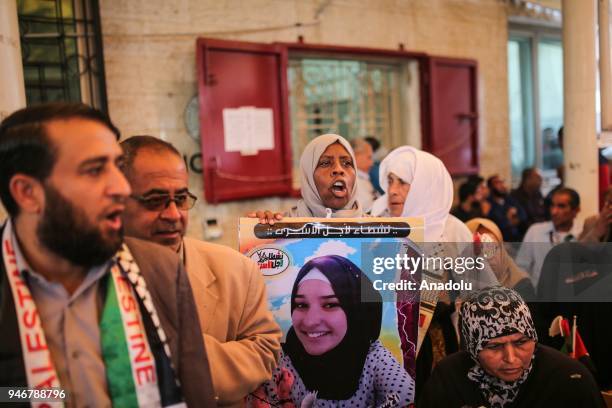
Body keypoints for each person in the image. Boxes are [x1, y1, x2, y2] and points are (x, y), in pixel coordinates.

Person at [0, 103, 215, 407]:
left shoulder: (158, 270)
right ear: (27, 192)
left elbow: (197, 394)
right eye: (94, 170)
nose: (121, 188)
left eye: (117, 165)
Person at [120, 135, 282, 407]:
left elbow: (265, 350)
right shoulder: (90, 279)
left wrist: (171, 354)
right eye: (154, 200)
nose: (173, 214)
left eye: (181, 199)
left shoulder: (235, 270)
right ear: (117, 201)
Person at [255, 255, 415, 407]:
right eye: (301, 305)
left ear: (354, 310)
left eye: (330, 305)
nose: (310, 321)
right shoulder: (279, 359)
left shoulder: (372, 357)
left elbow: (405, 396)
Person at [418, 286, 604, 408]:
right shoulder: (450, 378)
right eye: (494, 346)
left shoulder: (569, 379)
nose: (511, 358)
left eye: (521, 342)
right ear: (473, 348)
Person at [249, 133, 363, 223]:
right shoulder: (282, 225)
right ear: (308, 176)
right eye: (325, 163)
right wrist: (259, 227)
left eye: (347, 163)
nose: (339, 169)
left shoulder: (375, 231)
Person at [516, 187, 582, 287]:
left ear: (576, 210)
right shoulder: (535, 231)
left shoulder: (582, 234)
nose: (554, 212)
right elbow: (521, 267)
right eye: (552, 205)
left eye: (561, 206)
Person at [465, 218, 535, 301]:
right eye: (479, 249)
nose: (488, 256)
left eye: (494, 247)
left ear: (502, 250)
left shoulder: (521, 286)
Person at [487, 174, 526, 242]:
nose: (502, 185)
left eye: (502, 182)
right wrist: (508, 218)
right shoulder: (489, 204)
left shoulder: (509, 199)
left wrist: (511, 221)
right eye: (497, 183)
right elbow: (497, 224)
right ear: (490, 187)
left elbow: (523, 215)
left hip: (517, 238)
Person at [510, 168, 546, 236]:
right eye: (537, 178)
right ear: (528, 179)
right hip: (524, 235)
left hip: (540, 231)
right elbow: (519, 220)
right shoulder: (515, 196)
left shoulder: (537, 194)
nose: (540, 180)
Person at [350, 137, 377, 212]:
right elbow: (368, 209)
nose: (372, 163)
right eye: (369, 157)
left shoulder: (363, 177)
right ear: (355, 156)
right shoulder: (352, 182)